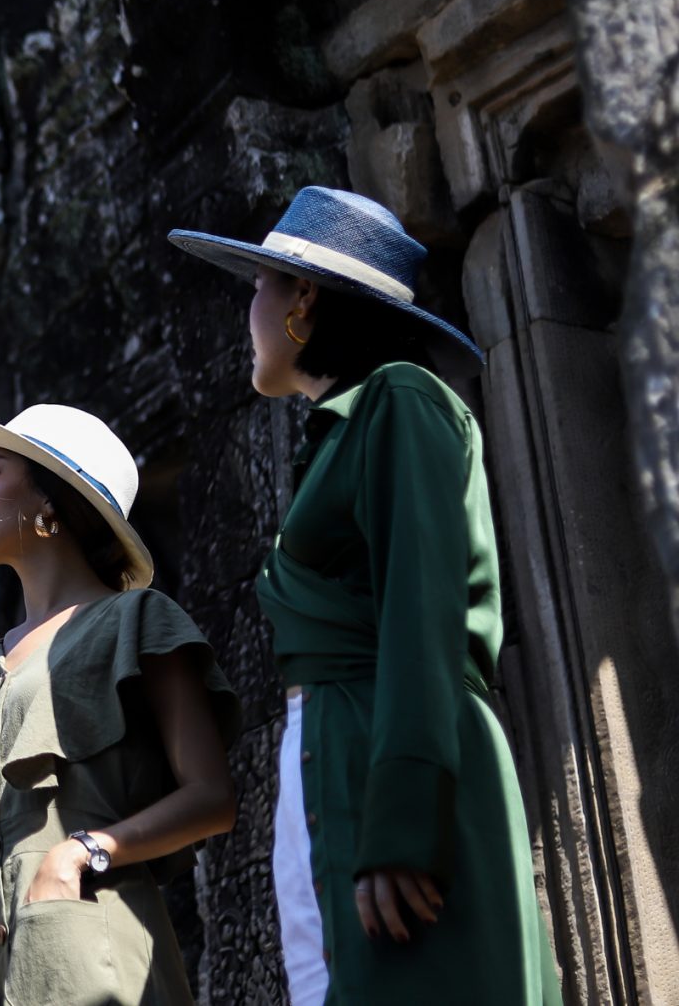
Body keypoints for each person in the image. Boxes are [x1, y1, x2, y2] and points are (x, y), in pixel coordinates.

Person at [167, 185, 560, 1005]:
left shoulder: (401, 399)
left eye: (259, 286)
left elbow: (423, 611)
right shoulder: (345, 424)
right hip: (340, 753)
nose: (249, 309)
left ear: (304, 296)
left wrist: (404, 817)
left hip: (388, 754)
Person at [0, 404, 240, 1006]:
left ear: (50, 500)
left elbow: (212, 799)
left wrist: (84, 851)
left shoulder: (136, 622)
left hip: (93, 962)